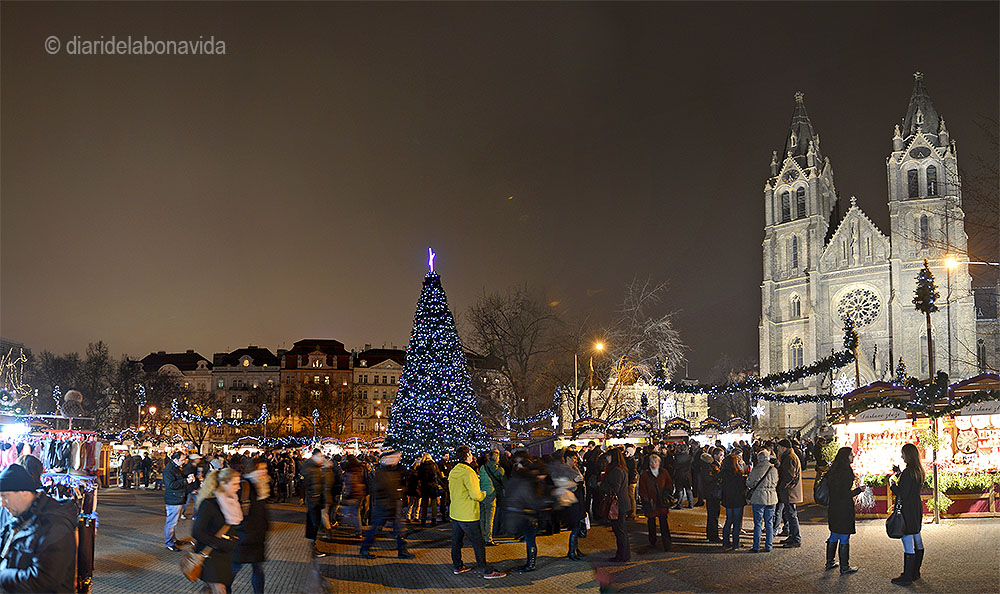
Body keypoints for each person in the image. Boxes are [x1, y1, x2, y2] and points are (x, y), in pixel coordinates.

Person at [0, 464, 77, 592]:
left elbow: (43, 580)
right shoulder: (17, 517)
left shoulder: (55, 525)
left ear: (24, 492)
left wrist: (2, 577)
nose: (2, 503)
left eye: (4, 496)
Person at [448, 446, 506, 579]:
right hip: (468, 514)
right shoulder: (469, 472)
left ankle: (457, 566)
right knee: (478, 543)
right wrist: (483, 494)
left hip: (456, 512)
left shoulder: (454, 471)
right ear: (467, 455)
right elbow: (475, 495)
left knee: (456, 541)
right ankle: (486, 570)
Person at [192, 467, 242, 594]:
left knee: (209, 589)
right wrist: (223, 543)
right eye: (234, 484)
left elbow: (233, 526)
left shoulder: (233, 502)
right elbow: (197, 532)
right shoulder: (209, 504)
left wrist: (235, 538)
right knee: (220, 590)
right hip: (210, 555)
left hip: (225, 555)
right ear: (223, 484)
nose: (238, 487)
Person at [359, 451, 414, 559]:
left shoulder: (394, 471)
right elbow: (377, 490)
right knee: (375, 530)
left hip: (392, 505)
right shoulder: (381, 473)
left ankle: (402, 550)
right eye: (394, 458)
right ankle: (365, 549)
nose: (397, 459)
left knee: (398, 530)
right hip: (384, 507)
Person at [889, 443, 926, 585]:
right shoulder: (918, 470)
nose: (901, 456)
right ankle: (915, 572)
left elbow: (902, 493)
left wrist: (892, 484)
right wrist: (899, 474)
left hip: (907, 508)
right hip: (916, 506)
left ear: (907, 455)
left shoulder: (908, 472)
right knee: (917, 537)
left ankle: (907, 576)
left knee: (907, 538)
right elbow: (910, 487)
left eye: (903, 453)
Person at [233, 458, 271, 594]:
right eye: (261, 469)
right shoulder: (243, 486)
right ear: (252, 470)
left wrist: (265, 527)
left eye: (265, 469)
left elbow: (262, 512)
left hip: (257, 539)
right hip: (243, 538)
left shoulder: (262, 487)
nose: (264, 472)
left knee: (258, 570)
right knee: (234, 569)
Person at [825, 447, 863, 574]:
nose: (853, 457)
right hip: (843, 507)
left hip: (833, 506)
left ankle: (830, 561)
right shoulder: (846, 472)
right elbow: (845, 493)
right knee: (844, 536)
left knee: (834, 534)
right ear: (845, 457)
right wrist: (859, 490)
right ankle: (844, 566)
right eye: (851, 455)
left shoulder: (833, 471)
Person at [504, 457, 545, 573]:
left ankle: (531, 564)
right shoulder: (530, 481)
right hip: (528, 515)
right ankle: (530, 563)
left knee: (530, 540)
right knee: (529, 540)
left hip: (526, 515)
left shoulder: (522, 482)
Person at [550, 449, 586, 560]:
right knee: (575, 526)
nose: (575, 460)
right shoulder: (563, 470)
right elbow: (561, 486)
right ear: (568, 458)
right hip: (571, 502)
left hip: (578, 500)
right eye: (574, 458)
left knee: (578, 525)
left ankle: (576, 549)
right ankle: (571, 552)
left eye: (576, 458)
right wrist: (574, 483)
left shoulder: (574, 468)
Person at [599, 448, 632, 562]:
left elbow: (614, 489)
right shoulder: (621, 469)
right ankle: (623, 554)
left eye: (608, 456)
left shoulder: (616, 471)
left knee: (620, 531)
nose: (607, 459)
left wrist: (600, 484)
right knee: (620, 530)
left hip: (618, 505)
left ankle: (623, 555)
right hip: (621, 504)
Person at [637, 453, 674, 552]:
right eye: (652, 462)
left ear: (659, 462)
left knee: (663, 522)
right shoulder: (645, 475)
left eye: (656, 461)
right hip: (651, 502)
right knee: (651, 522)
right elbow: (642, 489)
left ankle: (666, 542)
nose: (654, 463)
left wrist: (666, 492)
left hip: (662, 502)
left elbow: (669, 484)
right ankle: (652, 541)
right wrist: (646, 500)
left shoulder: (664, 472)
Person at [301, 449, 332, 558]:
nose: (321, 458)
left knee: (314, 523)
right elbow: (304, 484)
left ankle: (312, 544)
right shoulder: (310, 468)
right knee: (314, 523)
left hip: (318, 499)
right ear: (314, 457)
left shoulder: (317, 468)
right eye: (320, 456)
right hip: (314, 500)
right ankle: (312, 547)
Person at [747, 449, 778, 553]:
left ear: (759, 459)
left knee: (758, 523)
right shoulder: (774, 469)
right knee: (769, 523)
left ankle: (756, 546)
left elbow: (750, 484)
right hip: (772, 498)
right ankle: (769, 546)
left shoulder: (756, 469)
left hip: (759, 498)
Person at [773, 439, 802, 548]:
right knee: (789, 514)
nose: (777, 450)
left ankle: (796, 538)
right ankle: (792, 536)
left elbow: (789, 476)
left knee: (791, 515)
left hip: (789, 492)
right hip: (790, 491)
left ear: (783, 448)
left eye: (779, 448)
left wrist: (780, 487)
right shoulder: (789, 456)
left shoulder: (790, 458)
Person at [164, 450, 194, 551]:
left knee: (174, 521)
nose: (183, 462)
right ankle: (169, 542)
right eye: (182, 460)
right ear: (175, 459)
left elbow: (178, 479)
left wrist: (187, 477)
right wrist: (186, 481)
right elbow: (171, 485)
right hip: (174, 499)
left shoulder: (176, 467)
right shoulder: (169, 469)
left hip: (178, 497)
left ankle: (173, 539)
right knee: (171, 522)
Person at [720, 450, 748, 550]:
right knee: (736, 522)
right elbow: (742, 488)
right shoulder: (738, 475)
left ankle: (725, 542)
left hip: (728, 500)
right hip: (738, 500)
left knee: (728, 521)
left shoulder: (723, 474)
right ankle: (736, 543)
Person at [478, 449, 505, 546]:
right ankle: (488, 539)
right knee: (490, 518)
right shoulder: (499, 469)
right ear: (497, 458)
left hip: (482, 494)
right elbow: (503, 481)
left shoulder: (482, 467)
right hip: (491, 494)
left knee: (482, 516)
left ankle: (482, 536)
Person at [703, 447, 724, 543]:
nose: (722, 457)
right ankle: (713, 536)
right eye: (720, 455)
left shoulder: (718, 465)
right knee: (713, 515)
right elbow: (708, 479)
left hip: (714, 493)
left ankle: (710, 534)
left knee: (713, 514)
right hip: (712, 493)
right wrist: (719, 475)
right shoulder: (711, 466)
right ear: (715, 456)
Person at [418, 453, 442, 526]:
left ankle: (423, 519)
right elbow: (438, 475)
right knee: (434, 503)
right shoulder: (434, 465)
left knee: (424, 503)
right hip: (433, 486)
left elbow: (419, 476)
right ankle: (434, 519)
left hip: (425, 486)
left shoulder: (422, 466)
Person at [671, 445, 694, 509]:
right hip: (687, 475)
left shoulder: (677, 457)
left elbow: (675, 466)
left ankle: (680, 504)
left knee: (680, 490)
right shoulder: (689, 457)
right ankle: (691, 503)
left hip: (680, 475)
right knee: (689, 489)